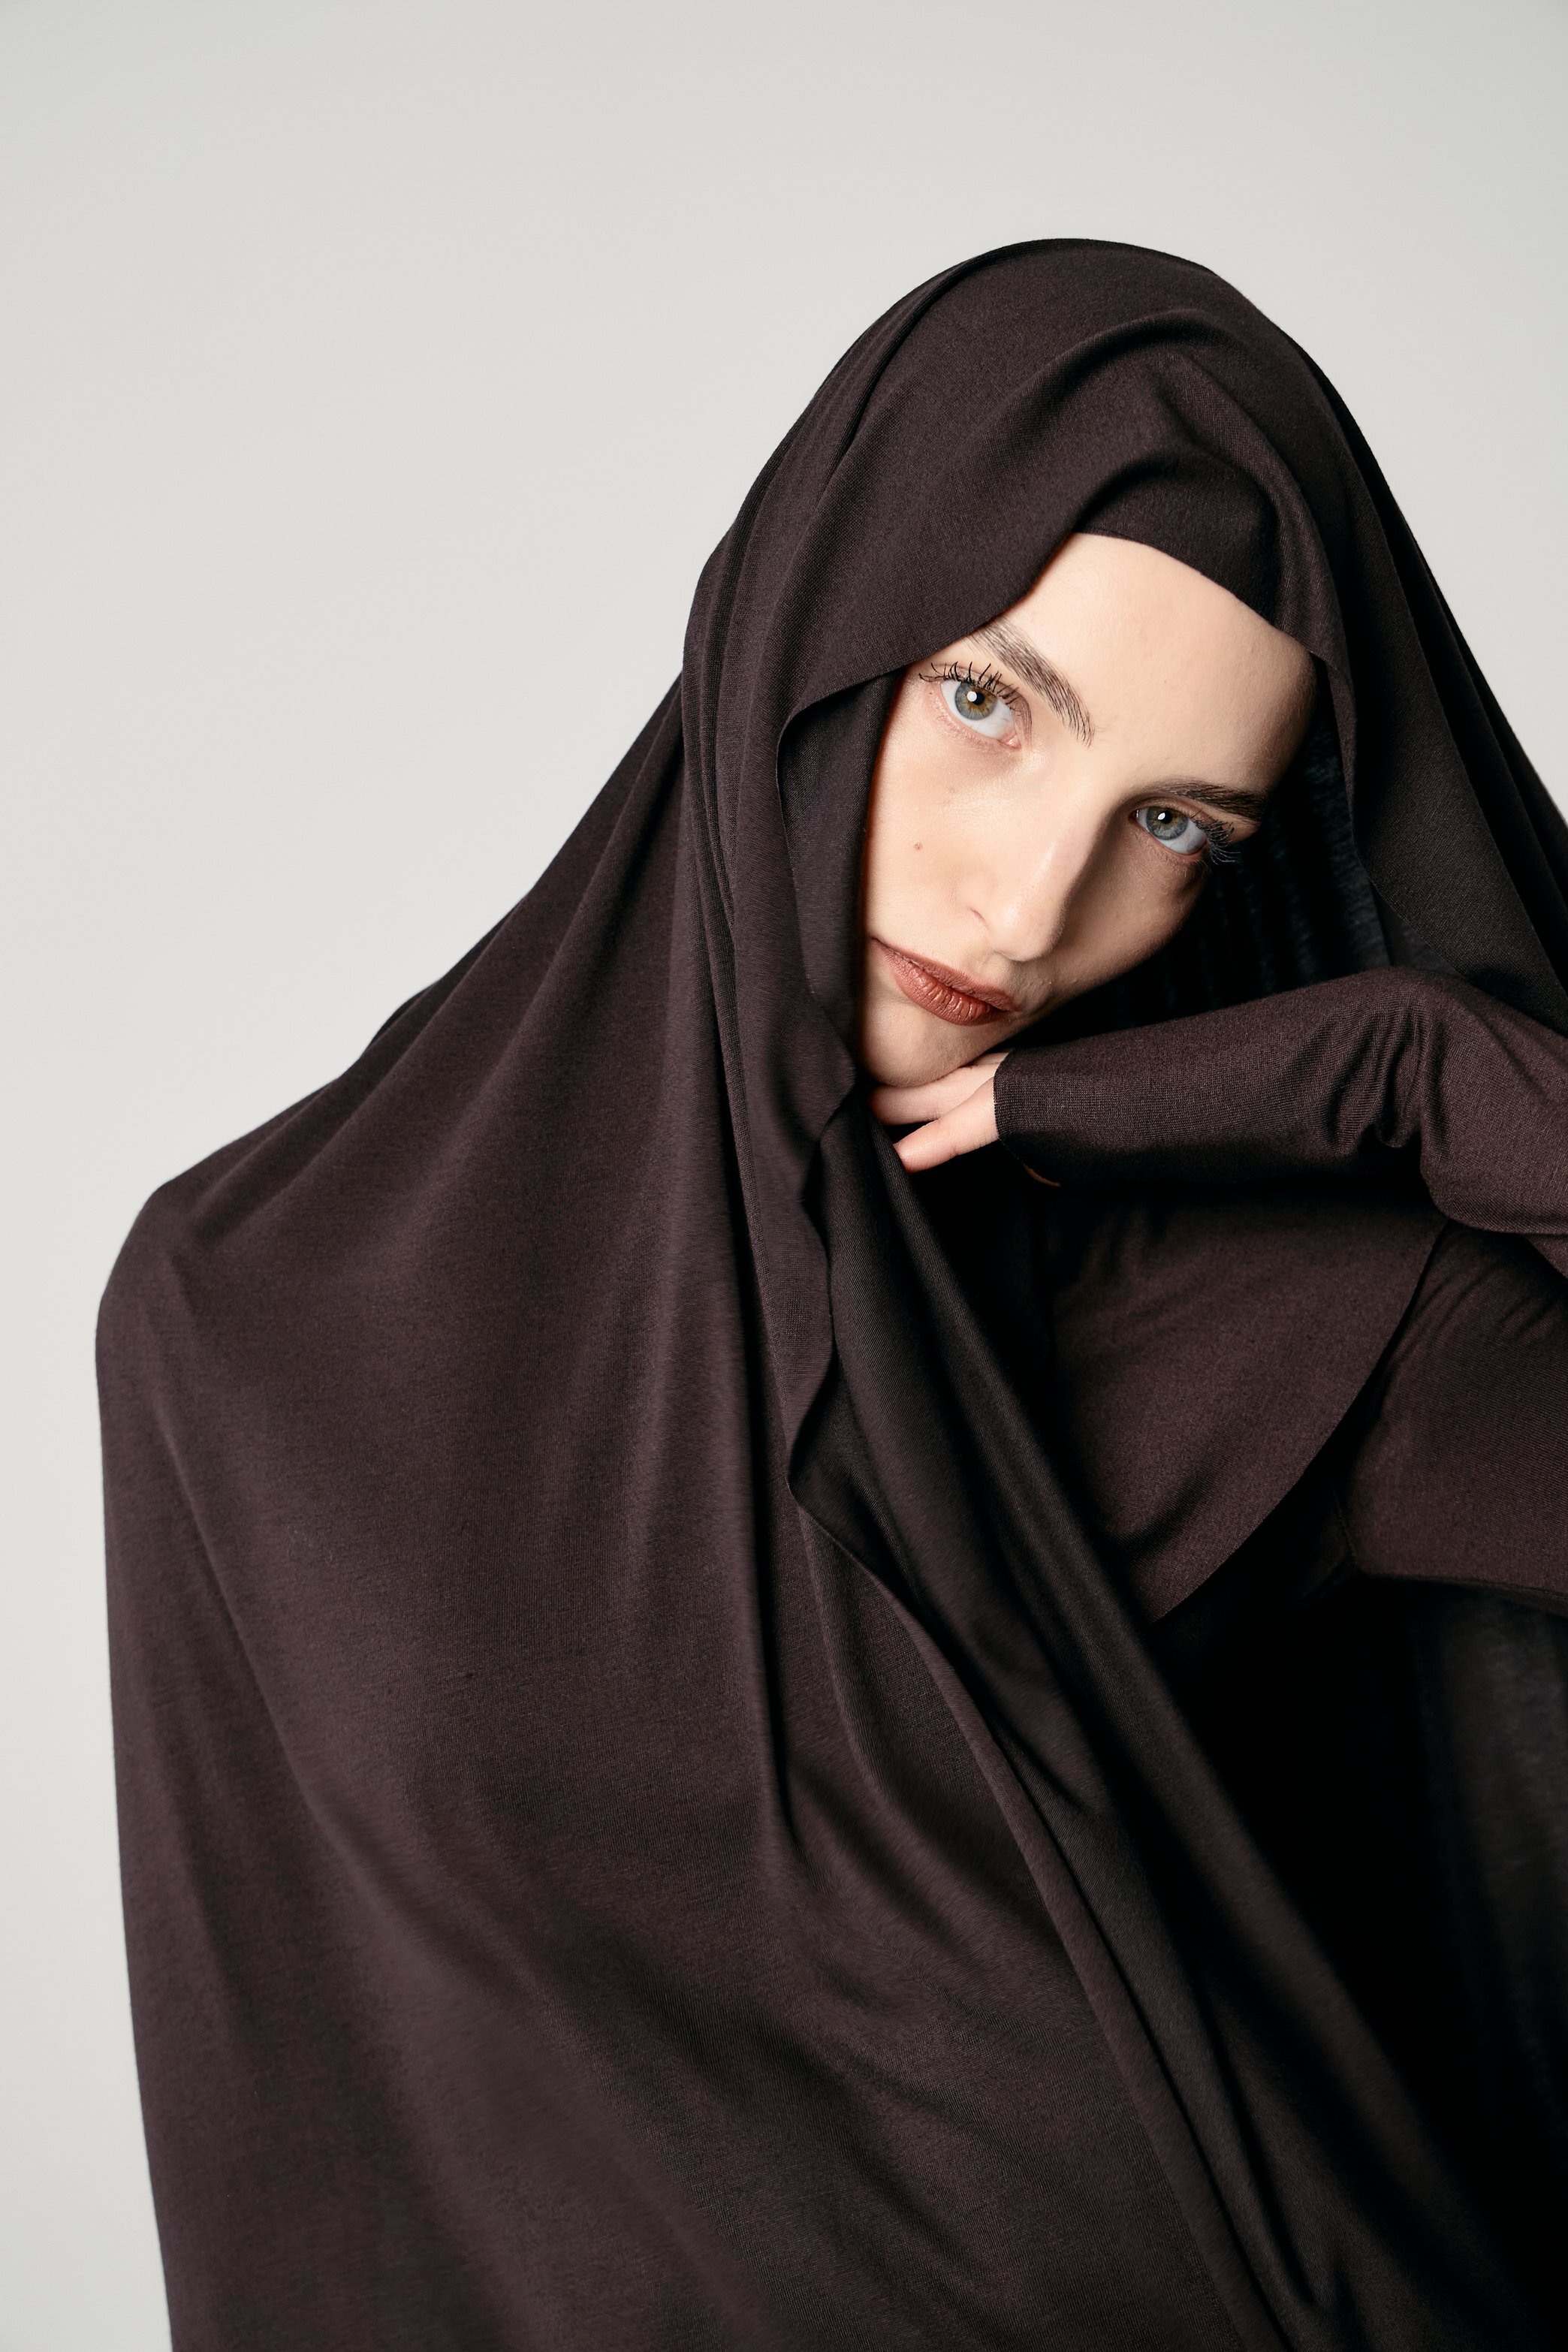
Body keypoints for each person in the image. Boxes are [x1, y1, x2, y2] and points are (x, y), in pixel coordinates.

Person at [99, 242, 1568, 2350]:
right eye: (988, 702)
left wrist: (1431, 1075)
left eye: (1173, 823)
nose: (1034, 903)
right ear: (811, 615)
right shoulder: (252, 1311)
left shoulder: (1308, 1327)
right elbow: (298, 2158)